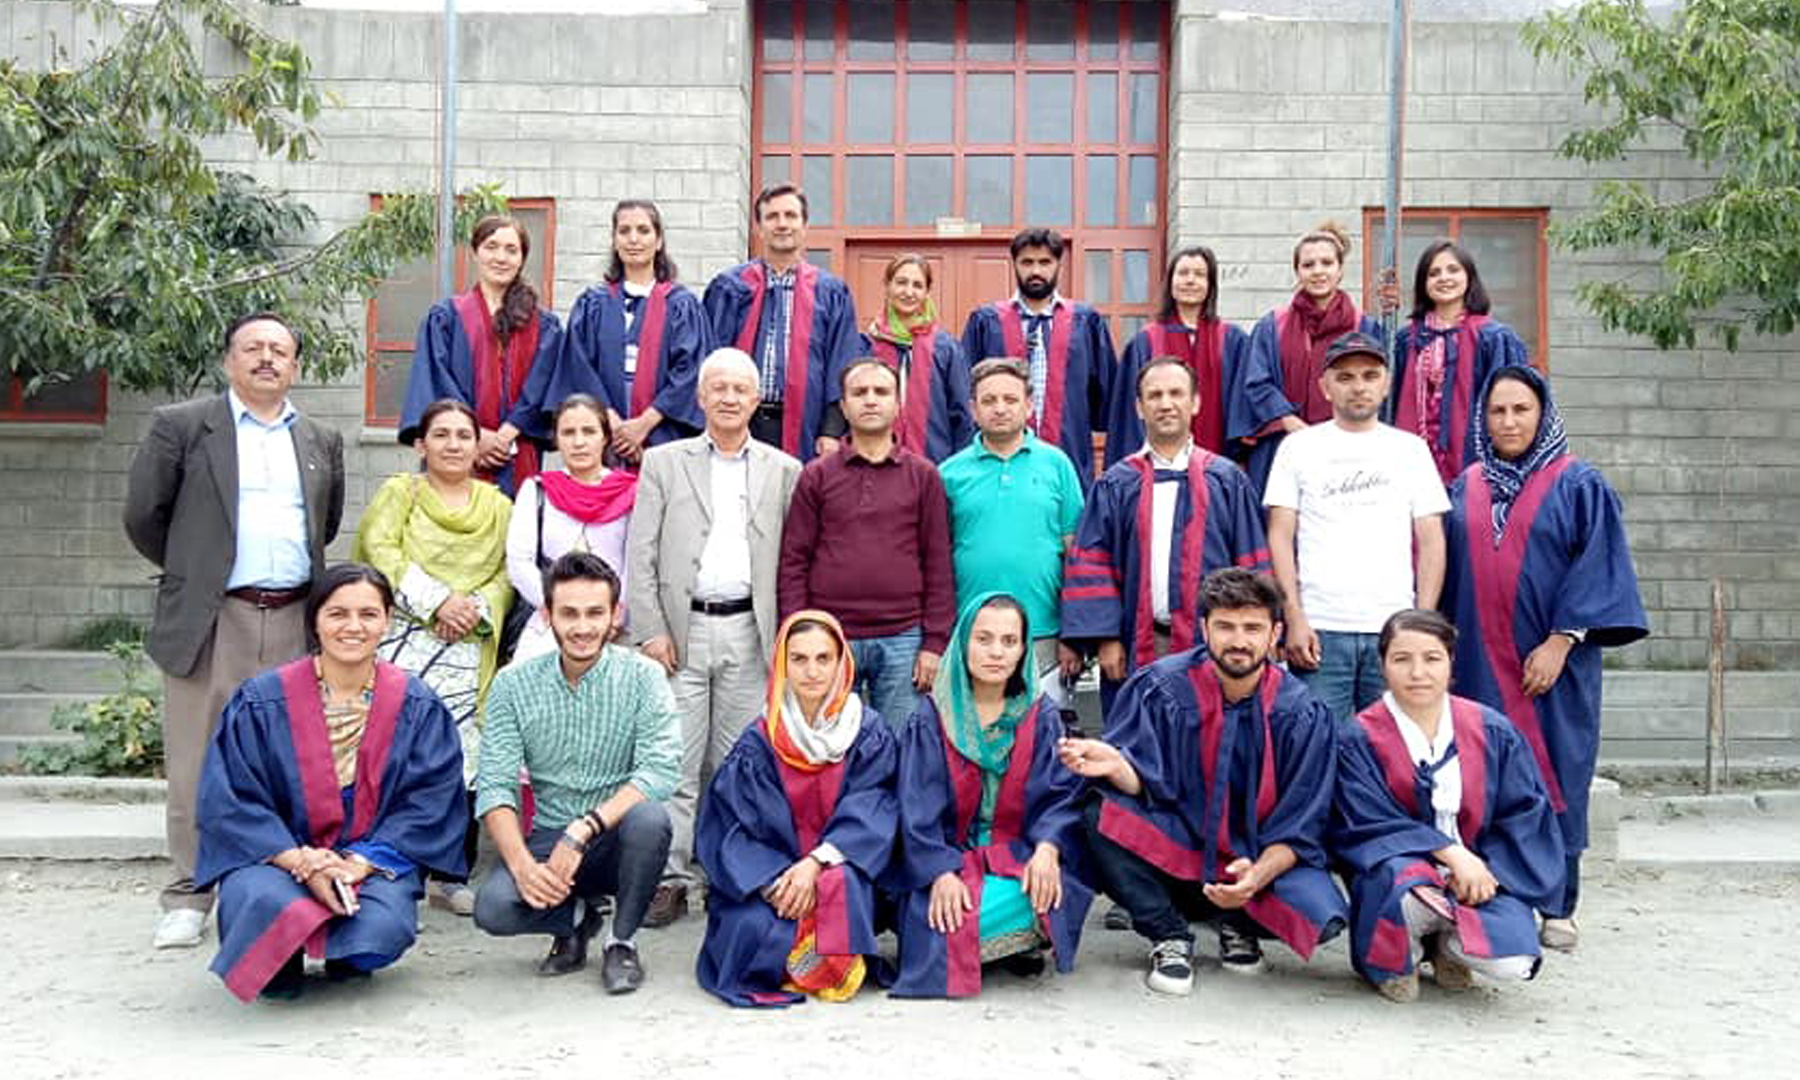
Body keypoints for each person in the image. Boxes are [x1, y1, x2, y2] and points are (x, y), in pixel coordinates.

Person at [124, 311, 346, 950]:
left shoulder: (320, 439)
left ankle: (276, 883)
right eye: (254, 348)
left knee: (288, 760)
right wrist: (197, 570)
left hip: (294, 617)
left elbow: (325, 525)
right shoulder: (183, 426)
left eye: (280, 349)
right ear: (229, 360)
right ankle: (190, 893)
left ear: (295, 366)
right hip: (214, 617)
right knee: (197, 759)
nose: (267, 358)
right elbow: (144, 517)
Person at [1059, 569, 1346, 996]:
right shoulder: (1162, 688)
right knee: (1099, 810)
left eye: (1252, 628)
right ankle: (1168, 934)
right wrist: (1118, 765)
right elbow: (1146, 783)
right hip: (1180, 852)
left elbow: (1304, 823)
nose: (1239, 641)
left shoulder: (1300, 713)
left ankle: (1235, 921)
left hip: (1255, 860)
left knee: (1322, 916)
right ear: (1204, 628)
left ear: (1275, 634)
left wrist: (1257, 875)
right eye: (1225, 626)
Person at [1440, 365, 1648, 951]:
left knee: (1559, 772)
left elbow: (1598, 566)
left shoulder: (1579, 484)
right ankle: (1491, 898)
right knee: (1483, 776)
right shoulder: (1466, 486)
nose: (1509, 421)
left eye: (1521, 410)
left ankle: (1559, 904)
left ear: (1543, 414)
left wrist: (1562, 641)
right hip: (1477, 662)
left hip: (1551, 668)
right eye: (1497, 411)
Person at [194, 564, 468, 1001]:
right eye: (338, 614)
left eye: (368, 614)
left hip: (371, 860)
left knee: (380, 928)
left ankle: (348, 956)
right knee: (261, 901)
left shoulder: (416, 705)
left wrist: (358, 863)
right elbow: (232, 800)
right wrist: (301, 860)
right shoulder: (263, 700)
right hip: (278, 857)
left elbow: (430, 802)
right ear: (315, 621)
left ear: (387, 620)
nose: (353, 627)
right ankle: (280, 962)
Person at [627, 347, 803, 928]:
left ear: (756, 400)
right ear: (701, 397)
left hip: (750, 632)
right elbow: (641, 552)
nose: (729, 398)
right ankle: (670, 877)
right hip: (681, 633)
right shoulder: (664, 462)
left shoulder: (784, 469)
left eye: (740, 389)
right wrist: (651, 630)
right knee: (675, 761)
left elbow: (793, 559)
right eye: (718, 388)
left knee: (737, 765)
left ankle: (728, 874)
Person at [1331, 609, 1566, 1003]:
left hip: (1479, 873)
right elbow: (1364, 822)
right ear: (1382, 665)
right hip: (1401, 874)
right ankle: (1401, 958)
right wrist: (1452, 854)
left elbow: (1524, 817)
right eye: (1401, 659)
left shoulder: (1491, 730)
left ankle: (1447, 948)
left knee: (1513, 962)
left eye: (1432, 658)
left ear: (1451, 662)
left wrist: (1487, 871)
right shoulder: (1359, 738)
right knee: (1406, 898)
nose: (1417, 673)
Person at [472, 552, 680, 994]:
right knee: (492, 908)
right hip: (550, 836)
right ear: (547, 615)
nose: (583, 627)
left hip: (618, 836)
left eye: (594, 613)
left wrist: (585, 828)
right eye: (569, 613)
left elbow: (659, 772)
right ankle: (577, 920)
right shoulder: (512, 685)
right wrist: (522, 866)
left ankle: (621, 941)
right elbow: (495, 786)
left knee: (651, 819)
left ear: (615, 615)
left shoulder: (645, 677)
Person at [888, 593, 1094, 998]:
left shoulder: (1040, 715)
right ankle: (1001, 940)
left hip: (1017, 858)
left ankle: (984, 937)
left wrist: (1047, 850)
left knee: (1046, 892)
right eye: (983, 639)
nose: (996, 652)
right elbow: (916, 809)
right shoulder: (933, 718)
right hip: (950, 858)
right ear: (963, 642)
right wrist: (940, 872)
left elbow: (1059, 796)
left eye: (1009, 641)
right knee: (939, 913)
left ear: (1023, 649)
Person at [352, 398, 513, 915]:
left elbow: (508, 572)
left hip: (468, 644)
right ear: (421, 444)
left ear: (478, 445)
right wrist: (437, 602)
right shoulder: (400, 493)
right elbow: (381, 552)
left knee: (461, 759)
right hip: (405, 642)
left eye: (464, 436)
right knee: (397, 756)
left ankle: (449, 873)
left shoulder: (498, 507)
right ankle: (391, 875)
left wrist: (471, 609)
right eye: (441, 435)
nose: (453, 445)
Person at [695, 611, 899, 1007]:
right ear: (782, 665)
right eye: (799, 659)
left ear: (842, 663)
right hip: (774, 878)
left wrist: (816, 864)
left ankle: (822, 962)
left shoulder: (866, 731)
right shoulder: (760, 741)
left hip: (840, 864)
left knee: (841, 887)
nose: (812, 671)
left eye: (824, 658)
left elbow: (876, 805)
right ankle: (811, 962)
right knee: (753, 926)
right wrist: (775, 881)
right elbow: (729, 830)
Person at [1063, 358, 1270, 713]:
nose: (1166, 403)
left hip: (1213, 644)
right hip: (1135, 642)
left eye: (1176, 393)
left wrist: (1250, 633)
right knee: (1136, 733)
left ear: (1195, 402)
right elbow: (1094, 563)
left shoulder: (1227, 481)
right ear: (1139, 407)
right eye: (1154, 395)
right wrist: (1106, 638)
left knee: (1209, 734)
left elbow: (1251, 565)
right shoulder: (1116, 483)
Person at [1264, 331, 1448, 719]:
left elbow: (1431, 540)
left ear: (1386, 384)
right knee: (1316, 743)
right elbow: (1280, 536)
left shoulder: (1411, 450)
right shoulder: (1298, 448)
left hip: (1393, 628)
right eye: (1345, 377)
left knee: (1392, 746)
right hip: (1320, 630)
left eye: (1369, 376)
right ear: (1325, 387)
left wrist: (1422, 623)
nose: (1358, 387)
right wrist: (1294, 617)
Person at [777, 359, 956, 726]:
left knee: (901, 744)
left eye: (881, 392)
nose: (871, 400)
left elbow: (938, 562)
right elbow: (794, 561)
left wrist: (935, 643)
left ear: (898, 404)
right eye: (860, 393)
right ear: (844, 407)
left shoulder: (923, 476)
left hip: (904, 638)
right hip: (830, 637)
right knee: (831, 745)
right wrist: (798, 634)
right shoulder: (817, 475)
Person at [938, 358, 1086, 706]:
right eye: (989, 401)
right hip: (972, 633)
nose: (1000, 408)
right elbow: (937, 560)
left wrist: (1075, 634)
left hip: (1044, 633)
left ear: (1029, 405)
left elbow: (1077, 555)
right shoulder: (948, 474)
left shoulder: (1057, 465)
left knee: (1043, 730)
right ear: (973, 409)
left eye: (1010, 399)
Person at [399, 214, 564, 496]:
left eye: (511, 250)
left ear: (522, 259)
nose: (501, 257)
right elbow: (436, 382)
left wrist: (506, 435)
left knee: (515, 521)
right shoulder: (445, 319)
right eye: (491, 247)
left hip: (517, 452)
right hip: (456, 448)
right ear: (475, 252)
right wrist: (473, 435)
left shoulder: (545, 326)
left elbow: (543, 386)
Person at [702, 183, 860, 461]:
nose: (782, 224)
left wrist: (832, 430)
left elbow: (842, 363)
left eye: (790, 215)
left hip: (807, 427)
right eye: (772, 217)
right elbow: (710, 358)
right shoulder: (729, 288)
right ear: (759, 228)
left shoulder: (831, 293)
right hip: (738, 419)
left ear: (805, 225)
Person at [555, 199, 709, 465]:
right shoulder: (593, 303)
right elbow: (579, 367)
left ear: (659, 241)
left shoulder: (681, 305)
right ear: (614, 240)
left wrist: (644, 424)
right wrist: (612, 422)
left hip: (662, 434)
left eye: (643, 230)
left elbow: (690, 371)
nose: (633, 239)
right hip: (603, 434)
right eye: (624, 231)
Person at [960, 227, 1116, 490]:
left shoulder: (1085, 322)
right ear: (1015, 265)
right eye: (1027, 262)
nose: (1036, 271)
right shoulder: (986, 322)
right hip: (997, 464)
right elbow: (967, 394)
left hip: (1069, 460)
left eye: (1045, 262)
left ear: (1058, 265)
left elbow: (1105, 399)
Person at [1241, 222, 1387, 494]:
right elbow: (1257, 383)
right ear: (1297, 271)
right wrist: (1291, 423)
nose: (1318, 271)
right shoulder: (1273, 326)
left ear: (1340, 269)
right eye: (1308, 265)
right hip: (1283, 445)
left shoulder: (1364, 328)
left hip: (1348, 448)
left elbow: (1376, 387)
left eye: (1327, 263)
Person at [1105, 245, 1276, 468]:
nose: (1190, 280)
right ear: (1170, 282)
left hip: (1219, 463)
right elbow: (1129, 416)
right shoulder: (1146, 341)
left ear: (1210, 285)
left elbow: (1243, 410)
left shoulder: (1232, 340)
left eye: (1199, 274)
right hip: (1156, 466)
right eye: (1183, 273)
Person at [505, 394, 637, 665]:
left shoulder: (631, 492)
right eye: (568, 432)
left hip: (616, 625)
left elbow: (636, 561)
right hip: (549, 623)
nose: (579, 442)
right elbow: (519, 560)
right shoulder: (537, 489)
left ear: (605, 437)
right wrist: (557, 608)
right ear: (556, 439)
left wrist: (614, 614)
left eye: (589, 431)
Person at [1391, 240, 1531, 485]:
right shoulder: (1407, 340)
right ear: (1423, 283)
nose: (1444, 278)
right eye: (1434, 273)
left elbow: (1513, 407)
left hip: (1476, 471)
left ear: (1469, 277)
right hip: (1414, 469)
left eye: (1453, 270)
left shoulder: (1494, 339)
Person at [861, 253, 973, 462]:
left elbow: (962, 414)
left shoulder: (945, 347)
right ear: (887, 285)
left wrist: (959, 465)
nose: (909, 292)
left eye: (917, 285)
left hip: (935, 462)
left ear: (927, 292)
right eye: (901, 283)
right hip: (874, 461)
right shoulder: (866, 345)